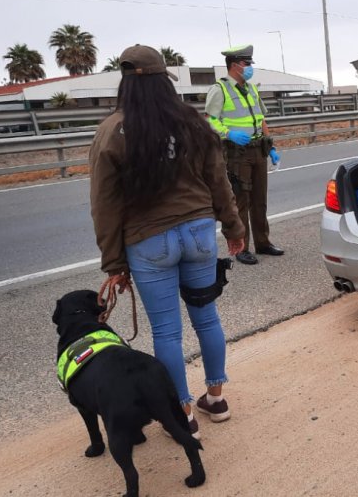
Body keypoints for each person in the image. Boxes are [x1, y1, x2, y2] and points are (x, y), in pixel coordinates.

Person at [89, 44, 245, 439]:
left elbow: (104, 205)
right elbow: (218, 181)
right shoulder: (193, 123)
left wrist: (114, 263)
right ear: (164, 82)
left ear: (125, 83)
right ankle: (217, 397)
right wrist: (234, 228)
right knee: (207, 317)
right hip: (198, 233)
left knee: (167, 333)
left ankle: (183, 413)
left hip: (149, 242)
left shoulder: (112, 131)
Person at [205, 44, 284, 265]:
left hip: (258, 150)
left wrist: (271, 147)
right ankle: (241, 247)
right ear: (235, 65)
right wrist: (228, 133)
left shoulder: (251, 88)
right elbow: (210, 120)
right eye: (247, 64)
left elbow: (261, 119)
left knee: (260, 199)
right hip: (237, 153)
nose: (249, 68)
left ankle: (263, 242)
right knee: (241, 201)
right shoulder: (219, 89)